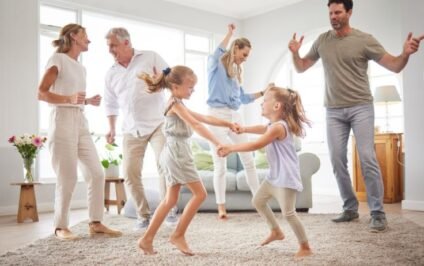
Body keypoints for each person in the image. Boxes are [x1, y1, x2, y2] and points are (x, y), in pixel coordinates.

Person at [288, 0, 424, 232]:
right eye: (330, 12)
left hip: (361, 107)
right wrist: (295, 53)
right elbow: (301, 67)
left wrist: (405, 53)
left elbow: (394, 66)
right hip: (333, 110)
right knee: (337, 159)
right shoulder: (322, 41)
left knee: (367, 158)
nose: (333, 16)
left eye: (338, 12)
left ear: (349, 12)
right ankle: (350, 208)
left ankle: (378, 213)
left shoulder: (364, 40)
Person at [137, 66, 238, 255]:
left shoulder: (178, 103)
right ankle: (178, 235)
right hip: (178, 153)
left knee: (170, 199)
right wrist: (217, 143)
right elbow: (196, 124)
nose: (193, 91)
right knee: (200, 194)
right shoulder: (175, 105)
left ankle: (147, 239)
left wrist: (227, 124)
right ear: (175, 87)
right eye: (190, 87)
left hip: (173, 152)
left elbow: (203, 118)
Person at [38, 23, 122, 240]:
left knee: (96, 172)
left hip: (80, 121)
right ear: (74, 36)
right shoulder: (57, 59)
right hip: (62, 120)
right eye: (86, 36)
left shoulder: (80, 67)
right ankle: (61, 227)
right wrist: (70, 99)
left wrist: (87, 101)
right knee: (67, 177)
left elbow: (72, 95)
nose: (89, 40)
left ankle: (95, 222)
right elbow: (41, 93)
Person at [218, 86, 312, 259]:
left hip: (286, 177)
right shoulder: (272, 125)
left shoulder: (279, 127)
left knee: (289, 213)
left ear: (276, 106)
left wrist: (231, 147)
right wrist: (244, 129)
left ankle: (305, 246)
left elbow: (256, 145)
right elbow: (262, 129)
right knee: (258, 201)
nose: (261, 102)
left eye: (265, 100)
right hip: (274, 176)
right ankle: (276, 231)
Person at [104, 28, 178, 230]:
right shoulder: (111, 73)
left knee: (165, 165)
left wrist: (160, 79)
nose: (110, 50)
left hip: (157, 123)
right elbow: (110, 104)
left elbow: (171, 76)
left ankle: (170, 210)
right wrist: (111, 129)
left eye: (113, 45)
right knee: (129, 172)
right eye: (109, 46)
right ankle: (143, 215)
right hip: (130, 129)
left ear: (126, 42)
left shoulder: (150, 56)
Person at [207, 23, 270, 219]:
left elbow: (242, 98)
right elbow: (216, 53)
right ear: (235, 49)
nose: (244, 60)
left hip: (236, 116)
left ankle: (259, 203)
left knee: (249, 161)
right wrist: (229, 34)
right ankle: (221, 207)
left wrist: (263, 92)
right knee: (221, 165)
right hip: (217, 116)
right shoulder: (215, 65)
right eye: (244, 55)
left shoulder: (235, 73)